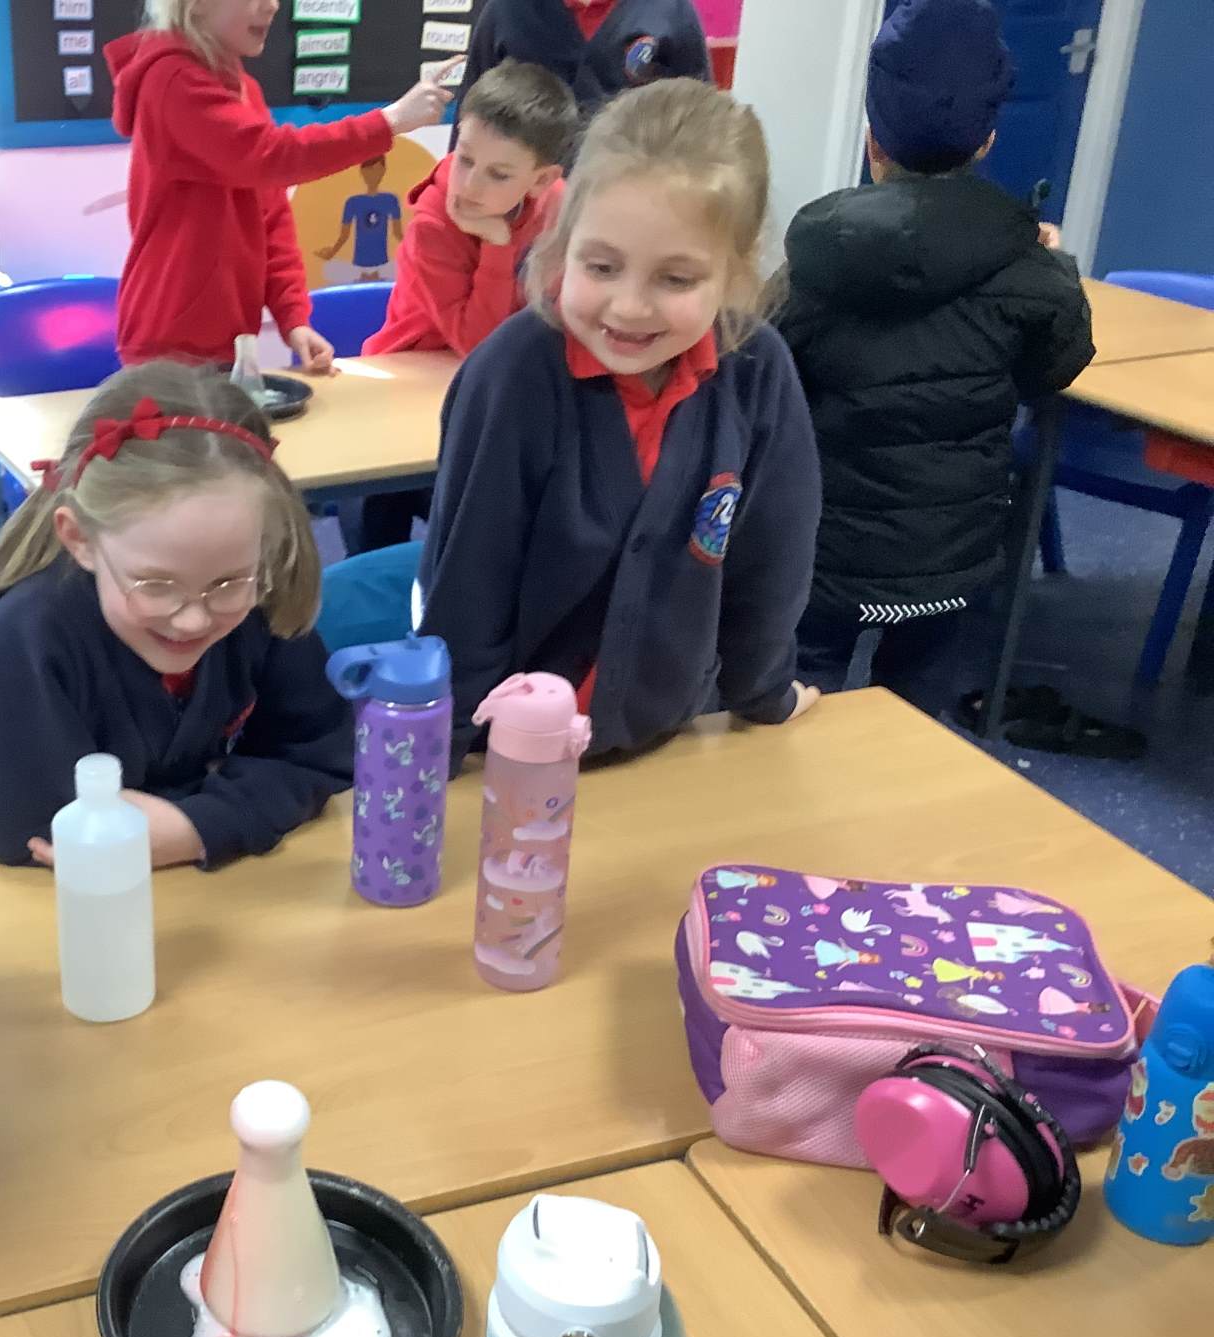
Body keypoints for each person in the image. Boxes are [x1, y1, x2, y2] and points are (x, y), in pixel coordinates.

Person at [418, 78, 821, 765]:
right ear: (563, 242)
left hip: (664, 742)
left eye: (676, 279)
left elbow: (770, 564)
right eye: (602, 266)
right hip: (507, 752)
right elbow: (467, 590)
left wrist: (764, 694)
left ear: (733, 271)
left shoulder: (758, 373)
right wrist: (450, 758)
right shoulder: (511, 378)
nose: (629, 308)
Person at [778, 0, 1094, 720]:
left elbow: (768, 384)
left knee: (794, 702)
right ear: (987, 141)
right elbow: (1053, 371)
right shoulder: (1027, 265)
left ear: (871, 142)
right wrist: (1055, 270)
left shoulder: (813, 262)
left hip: (823, 554)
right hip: (949, 560)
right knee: (916, 718)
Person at [0, 361, 350, 870]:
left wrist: (198, 827)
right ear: (80, 539)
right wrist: (240, 805)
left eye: (227, 584)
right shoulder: (29, 635)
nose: (192, 620)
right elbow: (26, 828)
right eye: (156, 585)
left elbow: (324, 753)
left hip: (221, 894)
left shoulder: (260, 597)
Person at [106, 0, 456, 370]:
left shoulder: (242, 90)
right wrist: (389, 122)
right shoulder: (172, 79)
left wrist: (293, 318)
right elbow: (271, 156)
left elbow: (271, 216)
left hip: (227, 337)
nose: (272, 6)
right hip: (169, 338)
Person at [356, 60, 581, 552]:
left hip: (500, 383)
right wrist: (497, 246)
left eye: (498, 174)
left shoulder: (558, 206)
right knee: (387, 512)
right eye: (464, 159)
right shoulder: (434, 224)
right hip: (408, 378)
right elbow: (476, 344)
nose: (471, 186)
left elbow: (560, 311)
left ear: (541, 180)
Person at [454, 0, 709, 130]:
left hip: (629, 196)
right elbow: (469, 121)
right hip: (523, 203)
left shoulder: (671, 10)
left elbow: (700, 125)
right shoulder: (508, 9)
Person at [316, 154, 404, 282]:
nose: (373, 174)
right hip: (358, 267)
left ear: (383, 171)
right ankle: (365, 275)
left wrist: (414, 251)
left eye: (377, 169)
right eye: (369, 170)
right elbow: (344, 236)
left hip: (383, 267)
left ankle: (374, 275)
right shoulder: (353, 202)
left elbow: (397, 233)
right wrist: (331, 252)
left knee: (404, 266)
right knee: (328, 269)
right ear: (362, 172)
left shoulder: (390, 200)